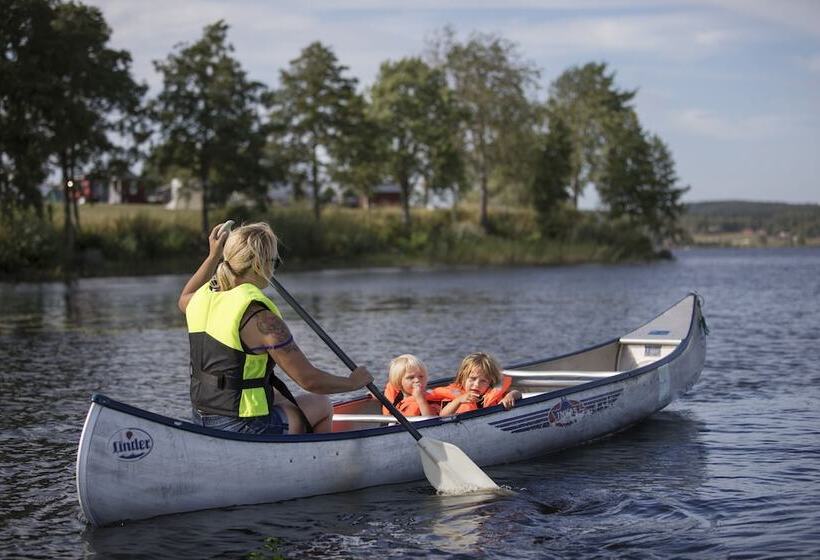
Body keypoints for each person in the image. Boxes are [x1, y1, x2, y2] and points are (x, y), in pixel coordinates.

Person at [178, 221, 373, 435]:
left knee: (276, 393)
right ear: (260, 265)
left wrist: (212, 255)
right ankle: (315, 464)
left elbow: (184, 297)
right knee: (321, 404)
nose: (273, 270)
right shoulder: (261, 318)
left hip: (201, 418)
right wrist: (352, 383)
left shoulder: (200, 300)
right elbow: (309, 380)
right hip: (244, 427)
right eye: (274, 262)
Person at [432, 352, 521, 416]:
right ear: (463, 377)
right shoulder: (455, 396)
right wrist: (458, 400)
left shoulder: (489, 393)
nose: (476, 384)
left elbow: (518, 393)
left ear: (490, 382)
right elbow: (443, 415)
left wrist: (510, 396)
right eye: (472, 379)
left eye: (483, 381)